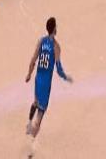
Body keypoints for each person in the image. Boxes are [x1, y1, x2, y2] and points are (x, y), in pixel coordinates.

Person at [25, 18, 72, 155]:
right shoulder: (56, 47)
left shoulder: (41, 41)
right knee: (40, 114)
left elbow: (33, 60)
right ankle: (31, 145)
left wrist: (29, 74)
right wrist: (66, 77)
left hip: (38, 79)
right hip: (46, 84)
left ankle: (28, 123)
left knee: (35, 102)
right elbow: (59, 70)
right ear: (54, 29)